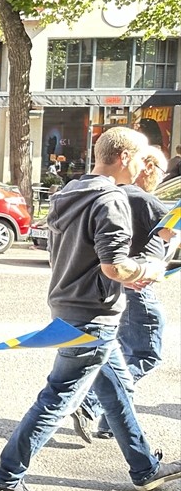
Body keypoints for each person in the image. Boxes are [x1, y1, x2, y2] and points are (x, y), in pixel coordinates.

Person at [0, 127, 179, 491]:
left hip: (69, 306)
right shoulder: (111, 199)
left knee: (116, 391)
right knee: (57, 397)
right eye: (141, 158)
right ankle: (6, 478)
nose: (143, 167)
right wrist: (150, 268)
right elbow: (113, 266)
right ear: (124, 157)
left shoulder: (70, 191)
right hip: (94, 316)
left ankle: (144, 468)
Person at [72, 145, 171, 442]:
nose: (162, 178)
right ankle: (91, 404)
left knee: (118, 353)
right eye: (161, 171)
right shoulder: (143, 199)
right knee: (145, 353)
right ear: (148, 167)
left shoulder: (109, 194)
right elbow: (169, 234)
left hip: (112, 286)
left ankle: (109, 421)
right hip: (136, 284)